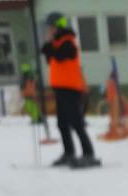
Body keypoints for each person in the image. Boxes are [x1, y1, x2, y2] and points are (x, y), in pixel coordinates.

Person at [41, 12, 99, 168]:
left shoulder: (68, 42)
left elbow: (60, 55)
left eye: (50, 28)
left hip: (70, 89)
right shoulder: (57, 43)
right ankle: (69, 152)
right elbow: (48, 55)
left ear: (57, 27)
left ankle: (89, 153)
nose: (48, 31)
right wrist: (49, 43)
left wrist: (50, 45)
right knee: (62, 123)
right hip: (60, 88)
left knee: (76, 123)